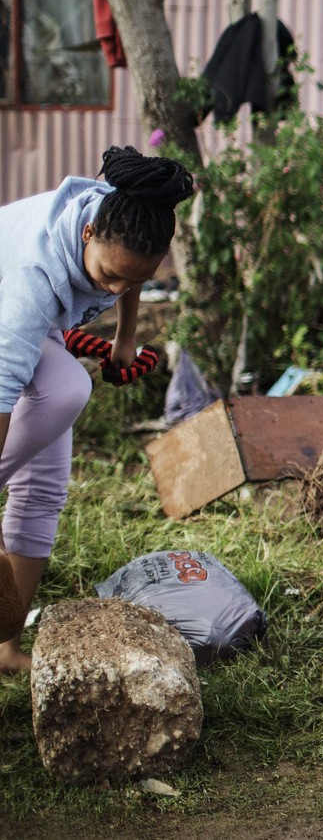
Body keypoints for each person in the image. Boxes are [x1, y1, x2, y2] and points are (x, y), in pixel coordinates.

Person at [0, 146, 195, 671]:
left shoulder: (127, 220)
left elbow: (128, 274)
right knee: (64, 388)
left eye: (131, 280)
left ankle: (4, 647)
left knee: (44, 489)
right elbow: (1, 389)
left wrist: (125, 337)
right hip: (4, 303)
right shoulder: (34, 274)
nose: (116, 288)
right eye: (108, 276)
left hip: (39, 326)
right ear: (87, 233)